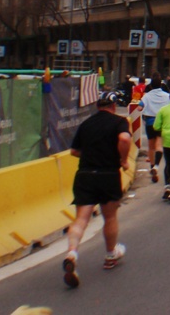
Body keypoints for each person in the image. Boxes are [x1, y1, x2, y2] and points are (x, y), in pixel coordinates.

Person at [62, 91, 131, 288]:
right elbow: (125, 139)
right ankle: (110, 255)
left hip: (85, 174)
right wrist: (124, 160)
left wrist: (91, 153)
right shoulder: (119, 122)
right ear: (113, 105)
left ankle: (72, 253)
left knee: (81, 218)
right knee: (109, 217)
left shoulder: (86, 124)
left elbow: (74, 151)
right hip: (108, 174)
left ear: (97, 105)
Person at [139, 75, 170, 184]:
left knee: (151, 146)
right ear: (161, 85)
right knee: (159, 145)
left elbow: (139, 107)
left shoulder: (147, 96)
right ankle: (156, 166)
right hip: (161, 123)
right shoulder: (167, 96)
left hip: (149, 123)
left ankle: (152, 166)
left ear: (151, 85)